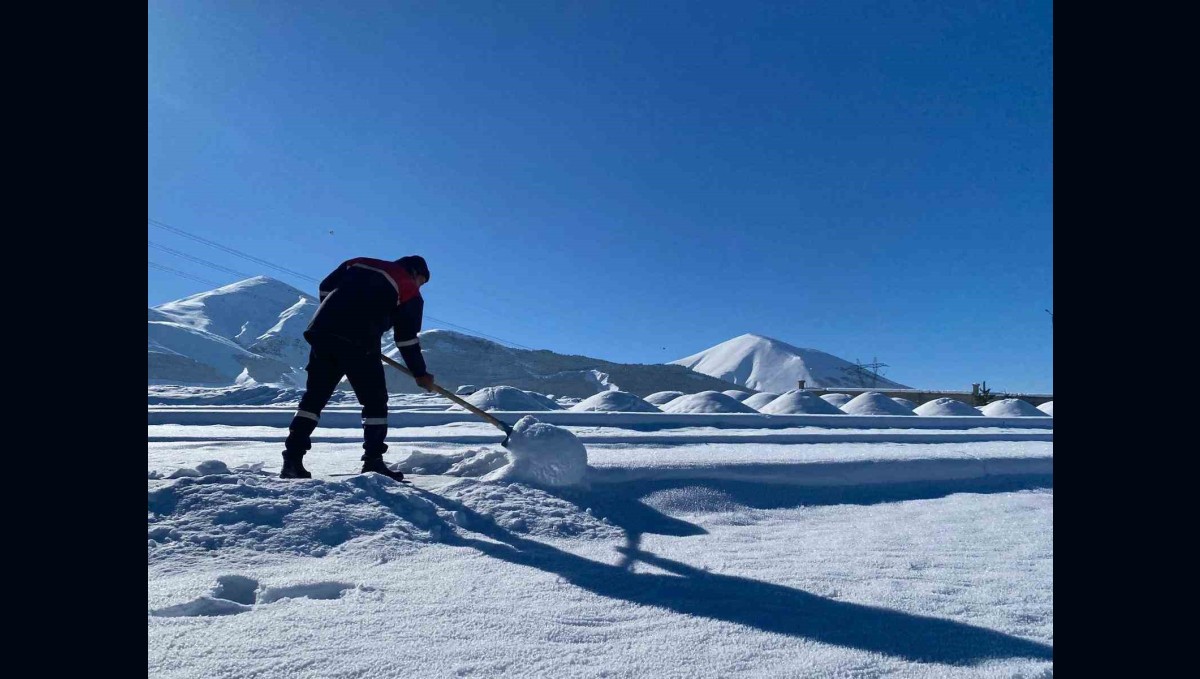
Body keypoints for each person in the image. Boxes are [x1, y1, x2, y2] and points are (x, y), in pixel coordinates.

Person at [280, 255, 435, 481]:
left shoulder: (359, 262)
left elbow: (325, 286)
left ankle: (292, 461)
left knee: (313, 399)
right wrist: (420, 374)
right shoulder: (409, 288)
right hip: (360, 342)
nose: (421, 285)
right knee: (375, 402)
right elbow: (406, 340)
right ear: (415, 273)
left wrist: (337, 317)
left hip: (323, 333)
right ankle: (373, 461)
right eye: (422, 280)